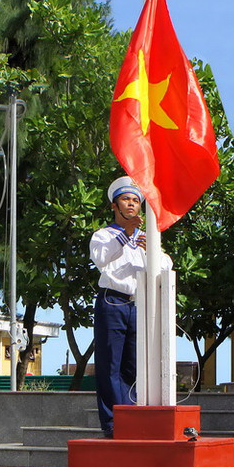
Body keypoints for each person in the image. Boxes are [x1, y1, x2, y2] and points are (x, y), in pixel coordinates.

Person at [89, 176, 170, 438]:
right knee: (109, 365)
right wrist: (124, 237)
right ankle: (113, 423)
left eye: (136, 200)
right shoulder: (104, 234)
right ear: (115, 205)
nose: (132, 205)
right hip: (112, 302)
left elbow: (166, 267)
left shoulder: (147, 238)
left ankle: (133, 416)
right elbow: (101, 259)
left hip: (139, 306)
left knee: (135, 366)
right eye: (126, 199)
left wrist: (152, 252)